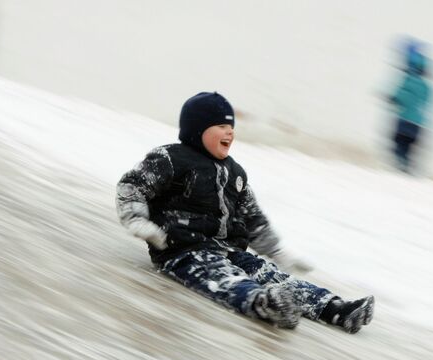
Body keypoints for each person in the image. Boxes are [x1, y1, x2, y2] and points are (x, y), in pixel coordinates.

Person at [115, 92, 374, 332]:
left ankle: (335, 309)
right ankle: (264, 304)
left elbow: (252, 216)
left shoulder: (235, 172)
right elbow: (134, 185)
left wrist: (276, 250)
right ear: (197, 129)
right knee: (224, 278)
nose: (229, 132)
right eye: (221, 126)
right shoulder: (171, 157)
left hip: (231, 249)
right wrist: (136, 219)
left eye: (232, 127)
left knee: (271, 274)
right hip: (184, 250)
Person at [388, 43, 432, 173]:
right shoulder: (426, 86)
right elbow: (425, 101)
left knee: (398, 143)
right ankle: (408, 166)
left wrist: (393, 99)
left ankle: (402, 166)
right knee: (410, 148)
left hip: (404, 119)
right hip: (418, 123)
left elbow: (401, 95)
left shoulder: (407, 80)